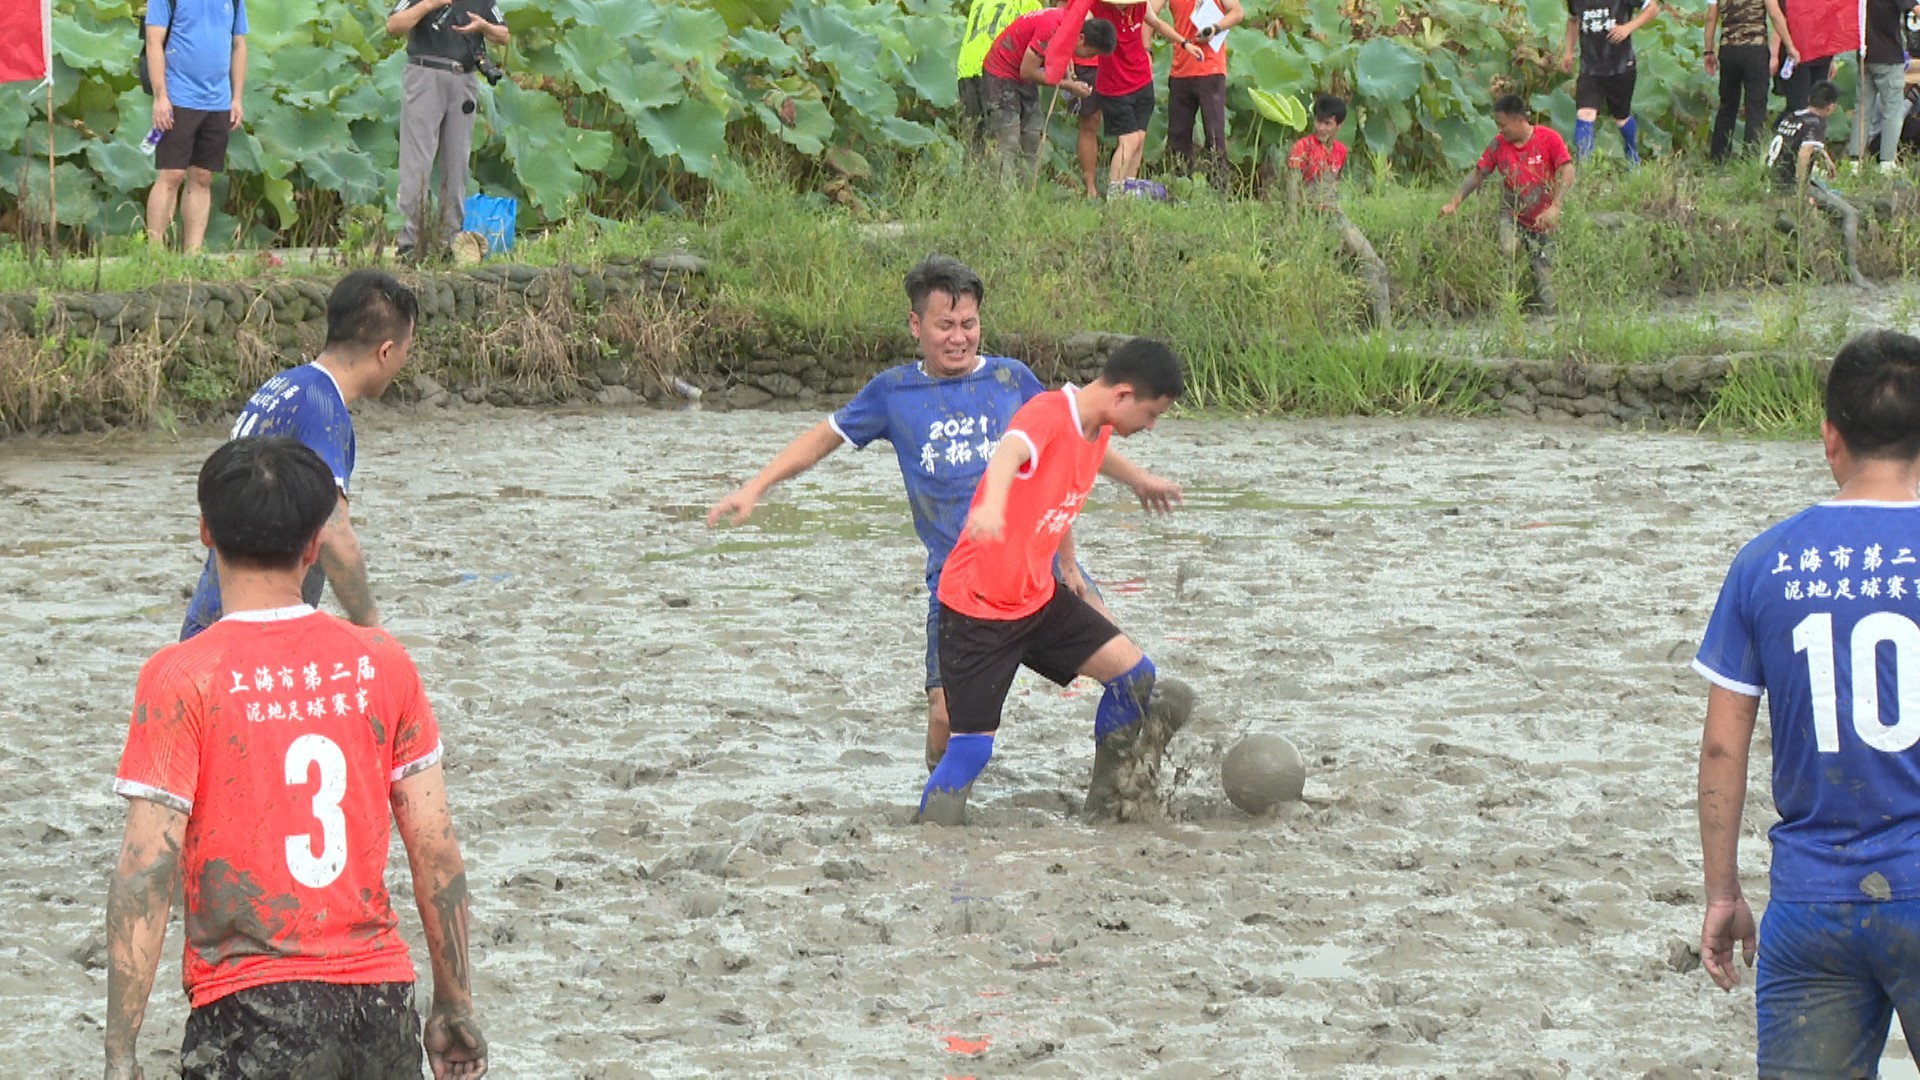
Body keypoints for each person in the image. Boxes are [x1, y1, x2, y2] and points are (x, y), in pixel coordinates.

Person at [106, 436, 485, 1080]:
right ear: (314, 545)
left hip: (249, 1006)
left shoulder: (180, 676)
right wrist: (452, 1002)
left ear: (206, 531)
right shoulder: (382, 661)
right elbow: (436, 850)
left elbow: (146, 871)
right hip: (380, 1002)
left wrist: (121, 1053)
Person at [707, 256, 1181, 771]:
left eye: (969, 324)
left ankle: (1123, 791)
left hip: (1040, 566)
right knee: (945, 717)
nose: (959, 337)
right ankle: (941, 795)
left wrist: (1135, 481)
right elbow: (824, 438)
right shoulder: (892, 393)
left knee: (1131, 672)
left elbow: (1071, 435)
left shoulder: (1010, 378)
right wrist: (756, 486)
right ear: (916, 325)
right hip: (962, 584)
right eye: (945, 325)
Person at [1693, 329, 1920, 1078]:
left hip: (1813, 902)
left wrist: (1723, 890)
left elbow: (1723, 748)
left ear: (1830, 438)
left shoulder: (1766, 563)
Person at [921, 338, 1194, 827]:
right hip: (977, 609)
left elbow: (1076, 472)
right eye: (1151, 415)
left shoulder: (1096, 428)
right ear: (1123, 396)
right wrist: (989, 504)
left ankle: (1106, 806)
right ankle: (931, 839)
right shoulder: (1048, 413)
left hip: (1038, 597)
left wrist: (1137, 483)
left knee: (1134, 678)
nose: (1150, 427)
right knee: (971, 752)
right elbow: (1011, 451)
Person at [180, 269, 418, 640]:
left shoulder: (284, 386)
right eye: (407, 350)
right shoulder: (323, 412)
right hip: (254, 640)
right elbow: (333, 533)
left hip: (211, 625)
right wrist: (373, 634)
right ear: (386, 351)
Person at [386, 0, 510, 263]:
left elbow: (504, 35)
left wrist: (483, 26)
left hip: (464, 79)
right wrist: (429, 4)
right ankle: (410, 244)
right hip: (424, 73)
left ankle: (448, 242)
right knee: (417, 161)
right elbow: (393, 25)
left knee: (457, 163)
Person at [1439, 94, 1575, 314]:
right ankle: (1509, 306)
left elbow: (1568, 170)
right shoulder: (1498, 145)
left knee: (1546, 285)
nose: (1500, 130)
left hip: (1543, 220)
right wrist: (1454, 203)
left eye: (1503, 125)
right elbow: (1477, 175)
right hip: (1512, 215)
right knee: (1508, 248)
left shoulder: (1548, 138)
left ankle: (1543, 313)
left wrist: (1556, 206)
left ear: (1519, 120)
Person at [1044, 0, 1186, 198]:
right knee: (1090, 122)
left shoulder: (1137, 8)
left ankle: (1125, 187)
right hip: (1088, 60)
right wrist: (1065, 55)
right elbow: (1066, 21)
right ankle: (1092, 187)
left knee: (1134, 136)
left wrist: (1179, 43)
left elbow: (1153, 23)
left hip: (1123, 68)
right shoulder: (1091, 8)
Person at [144, 0, 247, 254]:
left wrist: (236, 98)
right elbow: (153, 41)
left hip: (218, 100)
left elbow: (239, 44)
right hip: (178, 96)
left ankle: (193, 254)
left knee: (203, 177)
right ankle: (154, 253)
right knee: (172, 174)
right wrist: (160, 97)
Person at [1286, 94, 1391, 327]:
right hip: (1311, 217)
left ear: (1339, 126)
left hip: (1335, 215)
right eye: (1318, 122)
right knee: (1305, 272)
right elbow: (1293, 187)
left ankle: (1385, 333)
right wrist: (1293, 223)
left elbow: (1334, 186)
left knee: (1376, 265)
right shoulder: (1302, 146)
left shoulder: (1341, 151)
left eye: (1327, 124)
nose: (1321, 128)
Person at [981, 7, 1117, 183]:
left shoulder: (1071, 27)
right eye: (1091, 53)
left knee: (1032, 135)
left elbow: (1059, 56)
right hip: (1002, 72)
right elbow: (1027, 71)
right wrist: (1069, 86)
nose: (1088, 57)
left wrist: (1069, 78)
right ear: (1082, 38)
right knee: (1009, 140)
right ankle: (1005, 198)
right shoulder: (1051, 29)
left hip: (1025, 77)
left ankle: (1026, 191)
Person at [1768, 80, 1870, 288]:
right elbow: (1805, 154)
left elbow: (1798, 143)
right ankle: (1852, 271)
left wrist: (1825, 156)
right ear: (1831, 107)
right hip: (1789, 185)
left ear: (1809, 99)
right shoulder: (1817, 122)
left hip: (1771, 180)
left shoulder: (1794, 116)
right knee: (1851, 213)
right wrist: (1803, 191)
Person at [1561, 0, 1660, 165]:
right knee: (1585, 113)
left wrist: (1628, 27)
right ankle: (1584, 166)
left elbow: (1653, 8)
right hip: (1590, 67)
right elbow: (1573, 20)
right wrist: (1569, 52)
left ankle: (1632, 153)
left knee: (1621, 117)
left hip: (1620, 65)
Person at [1703, 0, 1796, 163]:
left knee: (1727, 106)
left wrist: (1708, 51)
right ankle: (1750, 160)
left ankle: (1718, 159)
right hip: (1755, 49)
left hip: (1728, 49)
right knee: (1756, 107)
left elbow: (1711, 18)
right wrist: (1789, 46)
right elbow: (1775, 14)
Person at [1164, 0, 1244, 186]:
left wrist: (1215, 28)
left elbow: (1237, 12)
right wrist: (1147, 49)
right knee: (1178, 135)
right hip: (1181, 69)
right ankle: (1180, 188)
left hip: (1211, 69)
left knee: (1214, 135)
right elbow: (1149, 12)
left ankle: (1218, 190)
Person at [958, 0, 1044, 151]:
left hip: (967, 68)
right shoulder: (1029, 4)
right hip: (997, 71)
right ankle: (1010, 174)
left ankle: (974, 173)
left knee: (974, 140)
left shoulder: (980, 2)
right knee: (1007, 139)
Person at [1853, 0, 1919, 170]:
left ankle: (1855, 159)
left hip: (1864, 55)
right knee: (1892, 111)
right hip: (1889, 56)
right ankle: (1887, 161)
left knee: (1862, 109)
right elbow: (1916, 9)